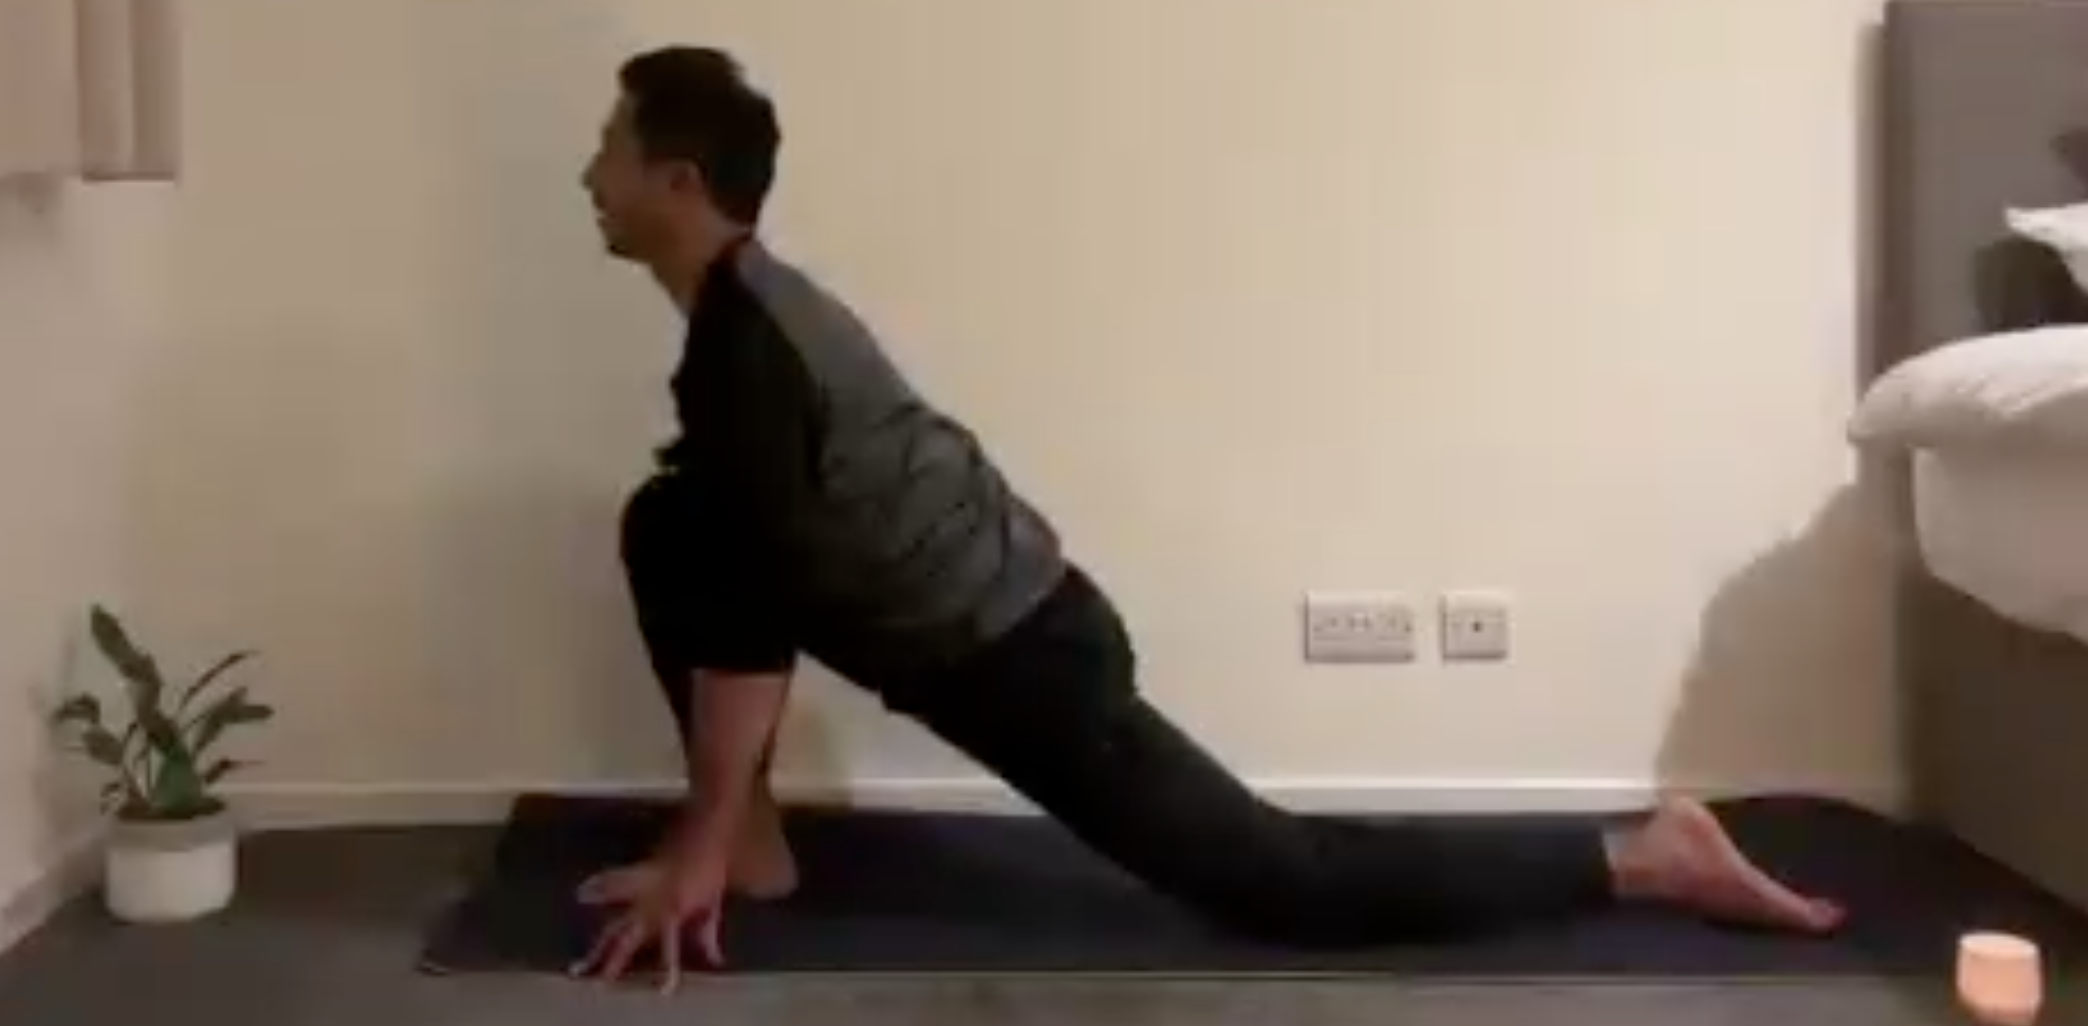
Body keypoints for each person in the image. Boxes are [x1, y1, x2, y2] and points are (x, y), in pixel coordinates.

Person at [567, 45, 1846, 992]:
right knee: (673, 524)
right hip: (953, 626)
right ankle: (751, 846)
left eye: (610, 149)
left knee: (1288, 886)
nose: (589, 174)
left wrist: (694, 838)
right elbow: (740, 574)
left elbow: (750, 616)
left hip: (1023, 656)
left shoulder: (750, 349)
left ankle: (1643, 856)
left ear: (678, 180)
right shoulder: (740, 319)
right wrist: (723, 824)